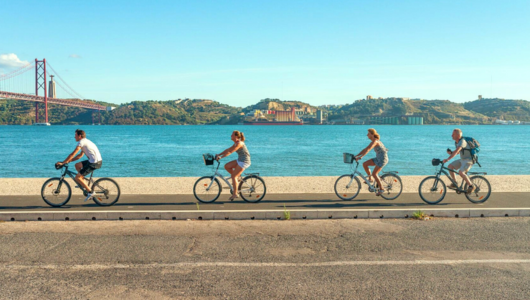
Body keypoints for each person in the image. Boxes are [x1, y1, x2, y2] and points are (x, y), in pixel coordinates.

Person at [56, 129, 103, 201]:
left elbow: (73, 154)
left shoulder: (81, 142)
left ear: (79, 136)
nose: (74, 137)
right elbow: (80, 156)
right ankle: (82, 182)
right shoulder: (84, 141)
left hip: (94, 162)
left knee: (77, 178)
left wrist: (63, 162)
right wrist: (69, 161)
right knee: (77, 165)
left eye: (75, 135)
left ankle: (91, 192)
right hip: (93, 160)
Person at [215, 130, 251, 201]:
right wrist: (219, 154)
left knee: (233, 176)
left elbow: (231, 152)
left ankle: (235, 194)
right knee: (227, 166)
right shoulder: (235, 143)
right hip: (240, 160)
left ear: (236, 136)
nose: (231, 136)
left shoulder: (239, 144)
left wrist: (221, 157)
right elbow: (228, 150)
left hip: (244, 161)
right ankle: (237, 179)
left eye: (232, 135)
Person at [354, 128, 388, 196]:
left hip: (382, 159)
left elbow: (368, 149)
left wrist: (361, 157)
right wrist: (356, 156)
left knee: (374, 174)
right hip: (378, 158)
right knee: (365, 164)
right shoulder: (372, 142)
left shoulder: (375, 142)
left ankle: (381, 188)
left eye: (368, 134)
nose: (367, 135)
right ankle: (370, 179)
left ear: (372, 134)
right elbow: (365, 149)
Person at [443, 128, 474, 193]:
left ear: (458, 135)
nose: (451, 135)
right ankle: (455, 183)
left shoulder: (462, 141)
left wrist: (448, 159)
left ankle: (471, 186)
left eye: (453, 134)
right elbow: (457, 152)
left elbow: (457, 151)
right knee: (450, 166)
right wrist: (451, 153)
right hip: (462, 160)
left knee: (461, 172)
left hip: (469, 160)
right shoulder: (457, 142)